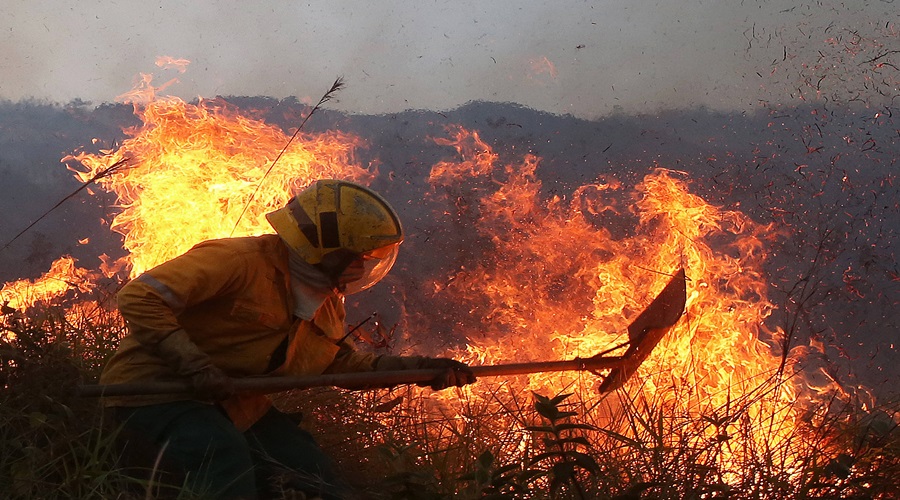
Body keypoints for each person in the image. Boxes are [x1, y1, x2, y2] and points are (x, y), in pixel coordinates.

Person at [99, 179, 476, 499]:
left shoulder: (324, 300)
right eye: (358, 255)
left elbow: (337, 364)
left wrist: (418, 370)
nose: (364, 266)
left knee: (312, 474)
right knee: (223, 460)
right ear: (323, 247)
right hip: (157, 392)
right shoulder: (237, 260)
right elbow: (139, 296)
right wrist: (193, 365)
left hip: (236, 402)